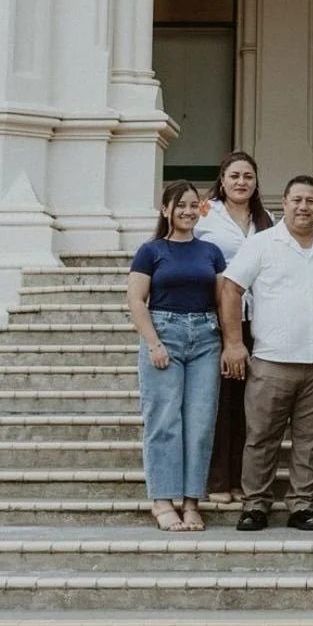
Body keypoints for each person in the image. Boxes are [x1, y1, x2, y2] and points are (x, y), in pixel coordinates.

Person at [222, 175, 313, 533]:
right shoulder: (262, 244)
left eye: (311, 201)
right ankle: (255, 504)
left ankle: (303, 505)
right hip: (271, 360)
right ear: (284, 203)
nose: (304, 207)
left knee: (311, 442)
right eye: (297, 200)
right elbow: (231, 290)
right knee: (261, 437)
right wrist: (234, 343)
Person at [127, 180, 225, 531]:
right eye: (179, 204)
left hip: (206, 338)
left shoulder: (210, 251)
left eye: (192, 205)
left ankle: (191, 501)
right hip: (164, 333)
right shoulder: (150, 251)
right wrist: (153, 343)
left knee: (199, 424)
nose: (187, 211)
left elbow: (221, 300)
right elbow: (137, 301)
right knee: (164, 420)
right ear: (166, 210)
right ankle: (162, 501)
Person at [195, 150, 273, 503]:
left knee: (249, 405)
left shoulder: (267, 219)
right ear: (222, 180)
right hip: (215, 316)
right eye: (235, 176)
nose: (241, 182)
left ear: (256, 183)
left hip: (259, 319)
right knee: (220, 401)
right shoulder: (205, 213)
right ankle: (217, 480)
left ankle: (244, 479)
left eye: (248, 177)